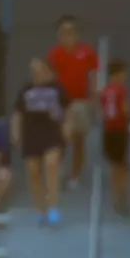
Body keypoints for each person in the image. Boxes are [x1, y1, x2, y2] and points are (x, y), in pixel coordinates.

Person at [13, 57, 68, 226]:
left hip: (51, 132)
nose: (36, 74)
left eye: (40, 70)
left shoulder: (58, 89)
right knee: (34, 172)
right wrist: (15, 133)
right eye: (33, 71)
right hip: (31, 134)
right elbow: (17, 114)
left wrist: (68, 128)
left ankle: (53, 206)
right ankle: (39, 207)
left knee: (51, 165)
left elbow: (68, 110)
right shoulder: (25, 90)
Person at [48, 15, 101, 188]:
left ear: (76, 33)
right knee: (60, 138)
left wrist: (94, 98)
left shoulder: (87, 52)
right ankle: (59, 172)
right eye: (64, 31)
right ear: (59, 33)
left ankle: (75, 176)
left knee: (79, 140)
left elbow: (93, 75)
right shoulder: (54, 54)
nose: (67, 34)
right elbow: (51, 78)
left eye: (71, 31)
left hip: (81, 102)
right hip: (61, 102)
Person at [99, 61, 130, 213]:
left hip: (108, 130)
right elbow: (125, 109)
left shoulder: (106, 90)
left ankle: (116, 196)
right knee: (123, 166)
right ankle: (121, 197)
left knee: (115, 165)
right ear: (118, 73)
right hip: (120, 129)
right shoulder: (121, 90)